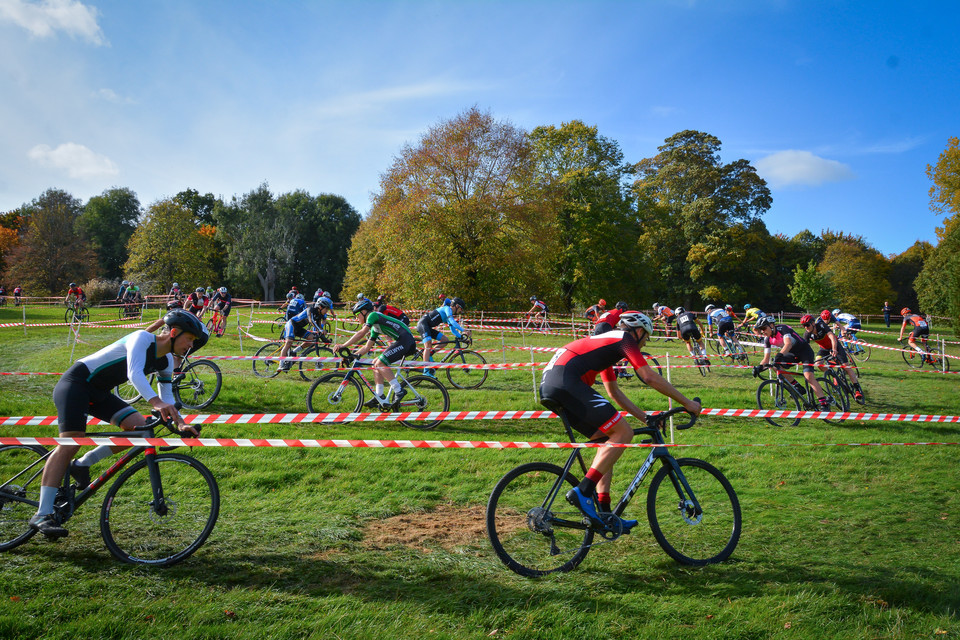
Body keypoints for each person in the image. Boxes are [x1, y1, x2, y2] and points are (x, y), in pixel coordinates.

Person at [27, 310, 207, 538]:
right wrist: (156, 402)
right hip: (76, 384)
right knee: (71, 443)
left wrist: (180, 424)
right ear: (173, 332)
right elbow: (134, 373)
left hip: (100, 393)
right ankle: (42, 514)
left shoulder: (167, 360)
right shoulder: (141, 338)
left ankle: (82, 464)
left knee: (139, 430)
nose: (190, 345)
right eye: (189, 339)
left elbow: (168, 398)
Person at [540, 312, 701, 531]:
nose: (645, 343)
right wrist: (688, 403)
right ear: (638, 331)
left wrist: (644, 417)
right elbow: (649, 376)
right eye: (646, 337)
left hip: (553, 384)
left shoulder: (606, 347)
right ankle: (584, 490)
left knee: (609, 440)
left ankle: (605, 515)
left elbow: (614, 393)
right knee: (624, 433)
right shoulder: (624, 340)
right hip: (566, 380)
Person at [333, 298, 418, 407]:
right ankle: (380, 395)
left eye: (357, 314)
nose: (356, 318)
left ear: (364, 312)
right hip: (402, 341)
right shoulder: (375, 327)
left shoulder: (373, 315)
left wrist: (343, 345)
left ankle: (399, 390)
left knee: (380, 363)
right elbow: (367, 347)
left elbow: (361, 333)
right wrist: (353, 356)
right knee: (375, 362)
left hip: (406, 340)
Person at [752, 316, 829, 409]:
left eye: (764, 328)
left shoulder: (782, 329)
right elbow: (766, 359)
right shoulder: (767, 339)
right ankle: (796, 386)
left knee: (808, 376)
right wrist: (759, 367)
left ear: (771, 325)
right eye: (760, 329)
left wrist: (779, 355)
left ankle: (824, 403)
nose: (762, 331)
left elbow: (788, 344)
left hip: (804, 351)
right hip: (792, 354)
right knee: (775, 366)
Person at [799, 313, 864, 402]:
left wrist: (834, 349)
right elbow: (806, 348)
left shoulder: (821, 325)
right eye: (803, 326)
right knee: (818, 364)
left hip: (835, 346)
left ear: (813, 323)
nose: (806, 327)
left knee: (846, 367)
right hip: (824, 349)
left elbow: (832, 337)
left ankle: (857, 390)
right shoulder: (807, 334)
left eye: (807, 325)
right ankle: (833, 374)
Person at [417, 297, 470, 374]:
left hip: (428, 327)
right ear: (457, 306)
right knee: (428, 345)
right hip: (423, 324)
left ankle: (430, 354)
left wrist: (461, 337)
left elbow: (452, 329)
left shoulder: (449, 314)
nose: (461, 311)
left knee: (445, 340)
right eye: (461, 309)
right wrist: (464, 330)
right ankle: (426, 371)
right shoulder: (447, 309)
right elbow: (452, 321)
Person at [276, 298, 328, 372]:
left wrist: (325, 339)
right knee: (289, 343)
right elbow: (311, 320)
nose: (327, 311)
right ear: (320, 307)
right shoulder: (310, 309)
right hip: (292, 324)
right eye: (326, 309)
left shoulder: (319, 315)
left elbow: (318, 330)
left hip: (299, 328)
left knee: (312, 339)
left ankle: (294, 351)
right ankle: (281, 364)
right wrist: (321, 330)